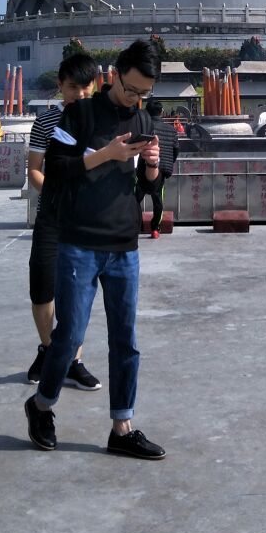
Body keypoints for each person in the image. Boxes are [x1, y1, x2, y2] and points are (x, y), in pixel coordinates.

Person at [24, 39, 166, 458]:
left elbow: (149, 186)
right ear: (115, 74)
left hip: (124, 243)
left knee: (126, 339)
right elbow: (58, 171)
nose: (136, 99)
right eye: (131, 89)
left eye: (145, 93)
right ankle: (42, 405)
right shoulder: (79, 114)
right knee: (68, 336)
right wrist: (105, 154)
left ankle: (122, 427)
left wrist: (153, 163)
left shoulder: (142, 120)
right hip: (80, 242)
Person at [25, 53, 102, 390]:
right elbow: (34, 171)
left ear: (95, 85)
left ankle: (73, 359)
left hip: (86, 222)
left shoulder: (103, 123)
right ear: (60, 87)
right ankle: (48, 348)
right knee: (42, 287)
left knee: (78, 292)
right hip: (52, 217)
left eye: (86, 87)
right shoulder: (45, 123)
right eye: (73, 88)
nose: (80, 94)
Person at [140, 99, 179, 239]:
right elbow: (176, 150)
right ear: (161, 112)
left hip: (141, 168)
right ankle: (155, 229)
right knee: (158, 200)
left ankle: (136, 225)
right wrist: (169, 163)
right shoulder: (171, 130)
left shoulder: (142, 128)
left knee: (135, 198)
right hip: (161, 169)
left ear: (146, 112)